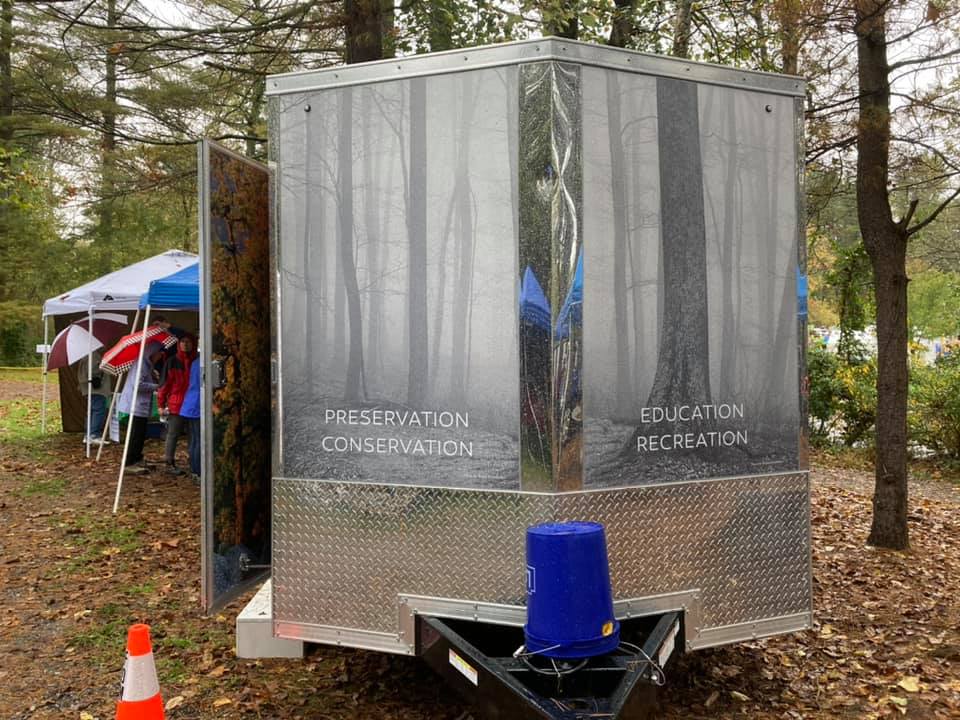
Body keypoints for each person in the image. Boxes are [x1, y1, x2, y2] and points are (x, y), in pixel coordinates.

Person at [118, 341, 164, 475]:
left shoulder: (147, 364)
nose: (160, 357)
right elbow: (138, 385)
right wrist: (157, 387)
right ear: (152, 352)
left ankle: (137, 458)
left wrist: (153, 377)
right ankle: (129, 462)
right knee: (135, 435)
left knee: (141, 434)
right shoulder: (141, 364)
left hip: (140, 406)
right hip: (135, 405)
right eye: (159, 354)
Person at [158, 334, 197, 475]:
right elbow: (164, 385)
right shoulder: (172, 362)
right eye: (183, 342)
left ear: (193, 343)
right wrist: (161, 404)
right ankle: (169, 462)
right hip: (177, 404)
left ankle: (195, 463)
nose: (185, 344)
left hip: (193, 404)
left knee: (193, 435)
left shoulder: (197, 361)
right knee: (173, 434)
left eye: (188, 341)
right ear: (178, 344)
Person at [77, 349, 112, 444]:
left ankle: (88, 435)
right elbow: (93, 371)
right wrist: (103, 367)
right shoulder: (93, 355)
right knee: (98, 410)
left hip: (88, 388)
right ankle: (94, 435)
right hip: (96, 389)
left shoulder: (86, 354)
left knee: (91, 411)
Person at [179, 347, 202, 484]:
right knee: (199, 440)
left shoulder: (194, 363)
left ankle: (194, 469)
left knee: (193, 439)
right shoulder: (203, 363)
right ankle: (198, 471)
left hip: (189, 403)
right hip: (198, 404)